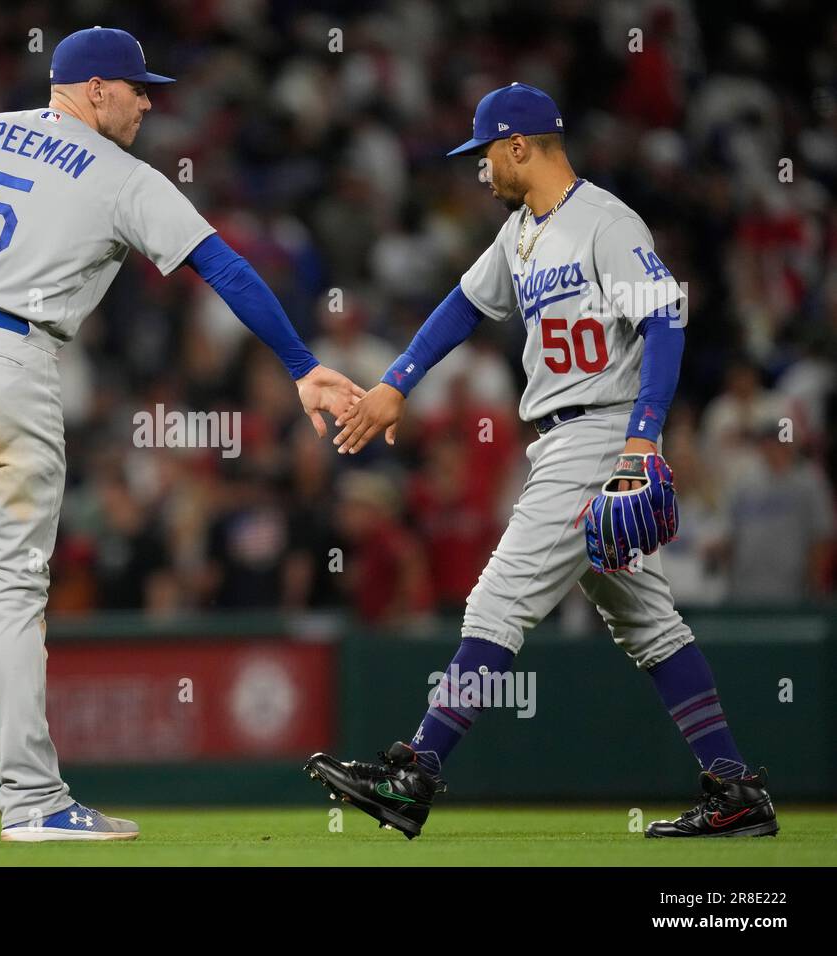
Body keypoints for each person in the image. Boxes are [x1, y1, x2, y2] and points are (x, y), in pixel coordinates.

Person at [0, 27, 362, 843]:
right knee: (16, 590)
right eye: (137, 88)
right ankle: (30, 801)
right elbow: (227, 269)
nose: (146, 102)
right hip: (8, 362)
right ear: (95, 89)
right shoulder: (122, 176)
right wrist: (302, 363)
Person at [307, 84, 778, 840]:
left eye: (486, 152)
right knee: (648, 623)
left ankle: (415, 772)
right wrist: (396, 383)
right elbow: (462, 304)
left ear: (520, 145)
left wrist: (643, 437)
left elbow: (664, 319)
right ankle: (736, 791)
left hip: (600, 431)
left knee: (498, 599)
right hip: (562, 435)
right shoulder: (522, 231)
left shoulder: (604, 220)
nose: (480, 168)